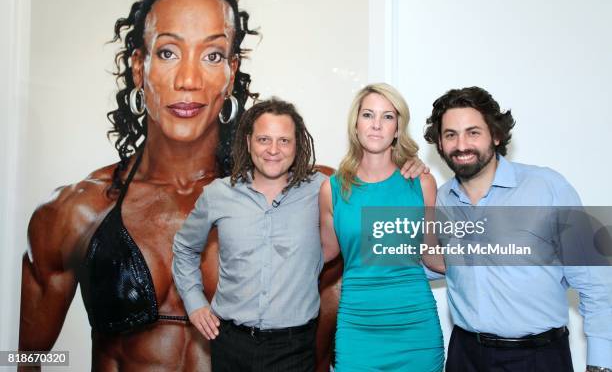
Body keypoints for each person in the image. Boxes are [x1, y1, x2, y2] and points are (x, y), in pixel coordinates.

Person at [19, 0, 259, 371]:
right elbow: (23, 358)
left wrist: (402, 168)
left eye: (212, 55)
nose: (188, 80)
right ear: (138, 66)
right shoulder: (76, 212)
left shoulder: (286, 200)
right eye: (168, 52)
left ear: (231, 73)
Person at [424, 86, 612, 372]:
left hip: (539, 358)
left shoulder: (547, 188)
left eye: (473, 132)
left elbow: (596, 283)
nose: (461, 145)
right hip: (465, 356)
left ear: (496, 135)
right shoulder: (441, 200)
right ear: (439, 143)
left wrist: (601, 363)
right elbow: (424, 263)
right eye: (451, 134)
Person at [173, 99, 325, 371]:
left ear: (297, 144)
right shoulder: (218, 194)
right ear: (248, 142)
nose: (273, 150)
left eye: (284, 141)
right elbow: (184, 248)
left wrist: (412, 169)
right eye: (264, 139)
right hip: (230, 345)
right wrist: (194, 302)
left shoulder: (322, 190)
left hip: (294, 349)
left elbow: (371, 182)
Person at [320, 83, 445, 371]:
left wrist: (494, 259)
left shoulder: (421, 183)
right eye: (368, 115)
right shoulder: (333, 189)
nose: (376, 125)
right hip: (357, 331)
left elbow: (431, 255)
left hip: (416, 331)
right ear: (355, 124)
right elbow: (324, 253)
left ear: (398, 128)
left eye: (388, 117)